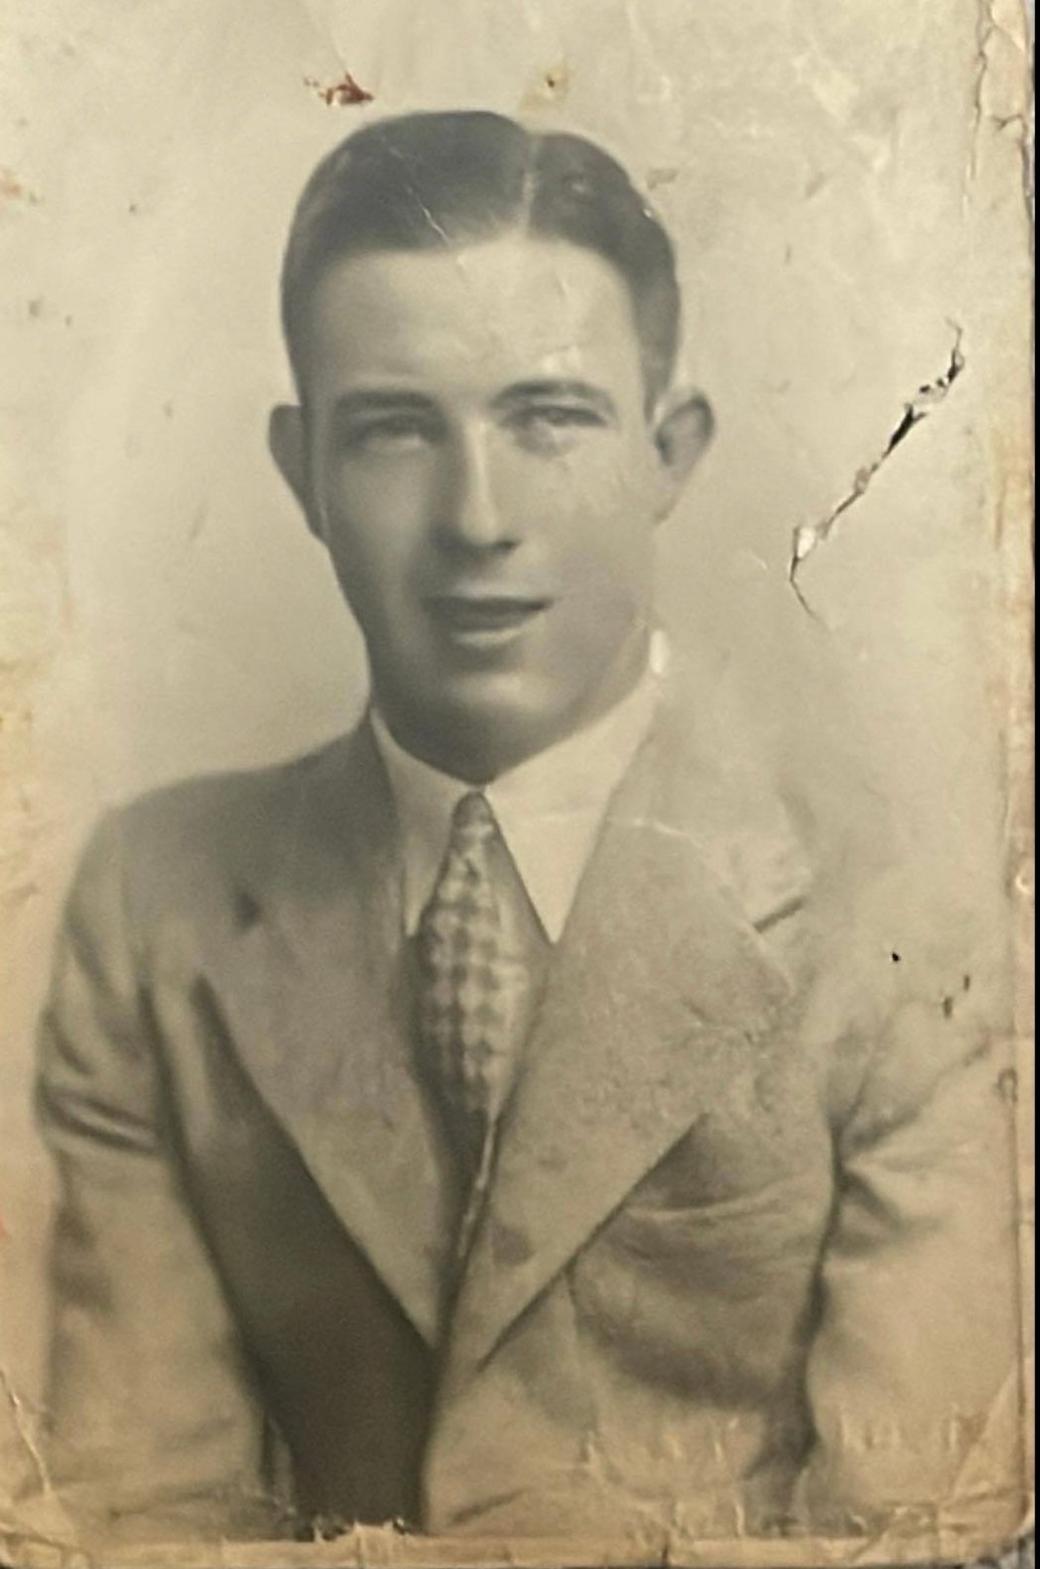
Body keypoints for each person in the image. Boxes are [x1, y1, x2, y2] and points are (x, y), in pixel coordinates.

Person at [34, 110, 1017, 1551]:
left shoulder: (906, 911)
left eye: (549, 418)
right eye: (393, 431)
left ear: (670, 449)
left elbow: (927, 1525)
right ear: (300, 467)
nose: (477, 517)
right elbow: (140, 1516)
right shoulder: (158, 903)